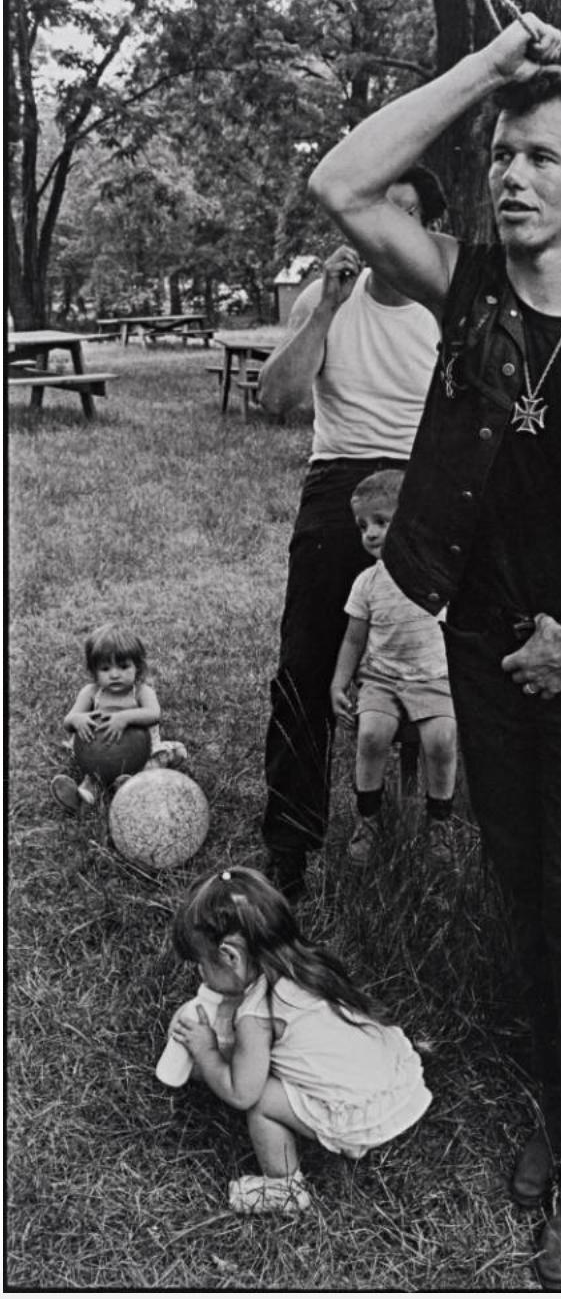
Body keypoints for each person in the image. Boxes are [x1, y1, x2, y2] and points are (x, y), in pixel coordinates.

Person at [308, 12, 561, 1289]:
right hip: (484, 647)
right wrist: (491, 70)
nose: (511, 174)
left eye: (541, 155)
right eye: (502, 154)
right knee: (525, 887)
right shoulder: (468, 289)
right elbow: (340, 183)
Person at [257, 166, 448, 900]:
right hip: (339, 477)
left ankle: (441, 814)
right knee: (306, 660)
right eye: (373, 211)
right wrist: (325, 312)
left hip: (424, 479)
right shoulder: (327, 297)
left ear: (428, 229)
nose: (384, 229)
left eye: (403, 214)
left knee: (444, 649)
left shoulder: (444, 310)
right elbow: (275, 398)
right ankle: (292, 840)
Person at [168, 866, 433, 1215]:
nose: (200, 973)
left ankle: (284, 1188)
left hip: (356, 1117)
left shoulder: (255, 1015)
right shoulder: (305, 964)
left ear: (231, 956)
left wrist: (205, 1051)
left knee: (262, 1097)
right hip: (398, 1082)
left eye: (201, 964)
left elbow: (240, 1091)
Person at [330, 470, 457, 865]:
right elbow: (354, 638)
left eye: (381, 522)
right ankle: (368, 820)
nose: (370, 533)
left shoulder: (439, 575)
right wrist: (339, 682)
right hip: (381, 680)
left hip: (433, 679)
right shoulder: (367, 583)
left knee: (441, 739)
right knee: (371, 736)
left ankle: (439, 825)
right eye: (363, 525)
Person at [50, 622, 187, 812]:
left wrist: (125, 718)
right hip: (98, 757)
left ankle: (128, 787)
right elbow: (68, 721)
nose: (115, 675)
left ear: (137, 668)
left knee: (148, 768)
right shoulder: (90, 692)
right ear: (94, 671)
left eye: (123, 667)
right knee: (93, 777)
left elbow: (154, 714)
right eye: (105, 669)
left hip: (140, 755)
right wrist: (78, 720)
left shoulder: (141, 692)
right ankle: (81, 799)